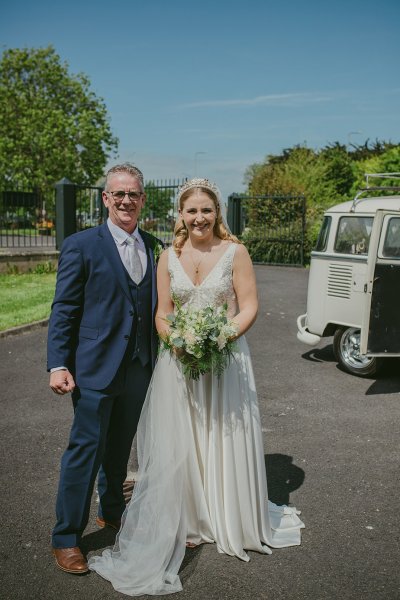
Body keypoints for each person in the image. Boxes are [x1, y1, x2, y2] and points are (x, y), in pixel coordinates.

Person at [89, 178, 304, 595]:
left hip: (227, 359)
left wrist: (221, 337)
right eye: (192, 211)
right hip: (180, 361)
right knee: (183, 437)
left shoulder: (236, 252)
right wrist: (179, 342)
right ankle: (189, 516)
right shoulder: (168, 256)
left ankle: (228, 515)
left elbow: (250, 305)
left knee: (223, 432)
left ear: (216, 212)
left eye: (207, 210)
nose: (199, 217)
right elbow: (163, 314)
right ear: (181, 215)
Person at [47, 163, 163, 574]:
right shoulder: (82, 244)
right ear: (105, 199)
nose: (126, 201)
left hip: (138, 366)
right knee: (85, 451)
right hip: (93, 367)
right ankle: (66, 537)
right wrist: (58, 363)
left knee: (120, 448)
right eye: (119, 194)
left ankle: (112, 510)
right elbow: (64, 309)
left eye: (133, 194)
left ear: (143, 199)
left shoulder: (154, 245)